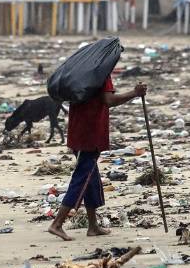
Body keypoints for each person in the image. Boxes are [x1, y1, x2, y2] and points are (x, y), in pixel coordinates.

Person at [47, 76, 147, 241]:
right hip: (90, 133)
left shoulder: (80, 73)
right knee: (83, 177)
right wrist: (134, 93)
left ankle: (93, 226)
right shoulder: (101, 74)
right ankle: (57, 224)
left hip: (77, 130)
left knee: (91, 179)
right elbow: (109, 100)